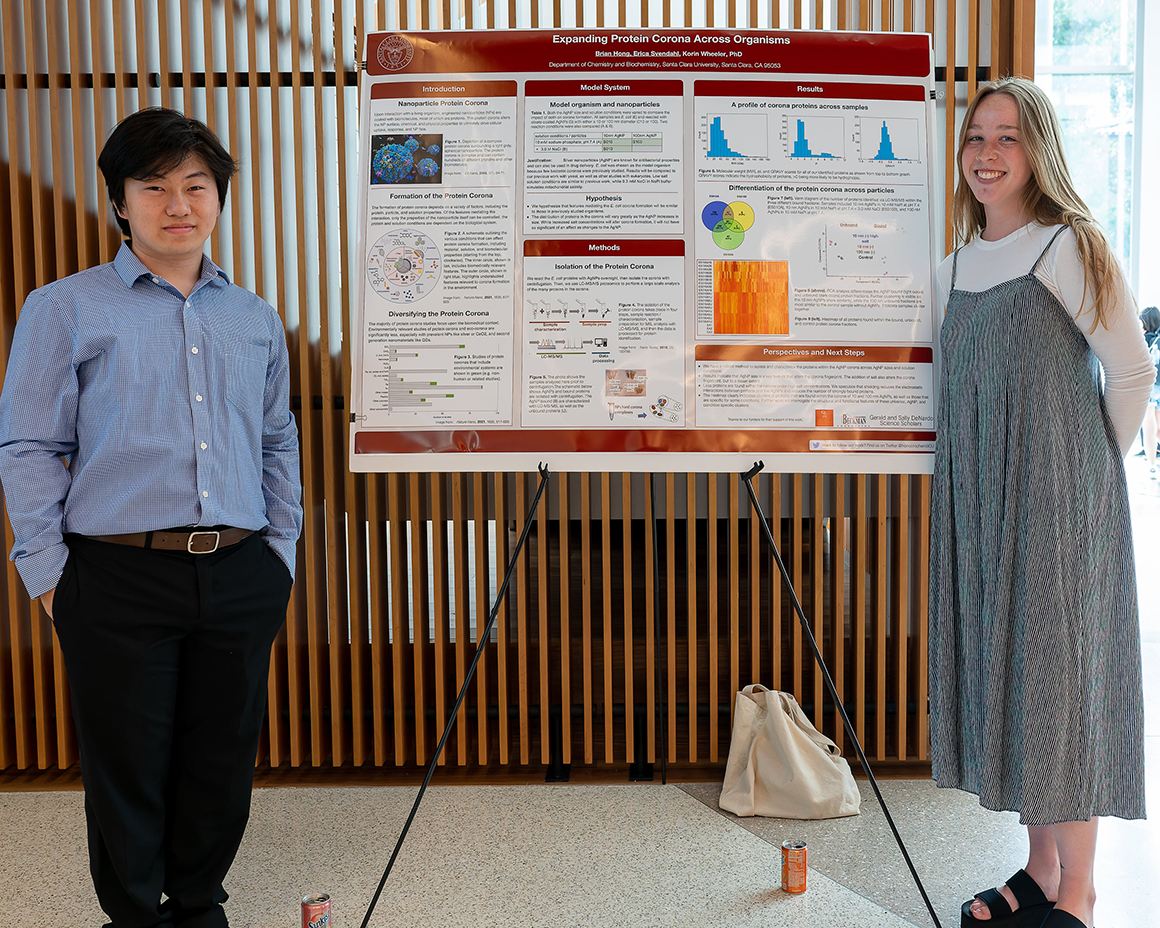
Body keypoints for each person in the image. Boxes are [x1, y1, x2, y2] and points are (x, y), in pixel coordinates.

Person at [0, 108, 302, 928]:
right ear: (119, 203)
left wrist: (279, 552)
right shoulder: (65, 308)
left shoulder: (252, 317)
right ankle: (133, 917)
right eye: (154, 187)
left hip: (240, 570)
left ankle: (199, 907)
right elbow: (30, 445)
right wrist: (50, 577)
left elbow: (277, 438)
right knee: (127, 766)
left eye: (196, 186)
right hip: (114, 574)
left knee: (221, 761)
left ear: (219, 199)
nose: (178, 205)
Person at [928, 78, 1153, 928]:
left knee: (1061, 687)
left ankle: (1080, 893)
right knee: (1018, 680)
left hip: (1061, 505)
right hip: (984, 507)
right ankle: (1040, 869)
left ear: (1039, 151)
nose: (986, 153)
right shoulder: (951, 271)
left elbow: (1131, 371)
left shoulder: (1068, 247)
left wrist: (1086, 478)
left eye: (1008, 137)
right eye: (975, 136)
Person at [1140, 305, 1160, 475]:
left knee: (1149, 427)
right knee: (1158, 427)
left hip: (1149, 386)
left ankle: (1152, 465)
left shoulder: (1144, 340)